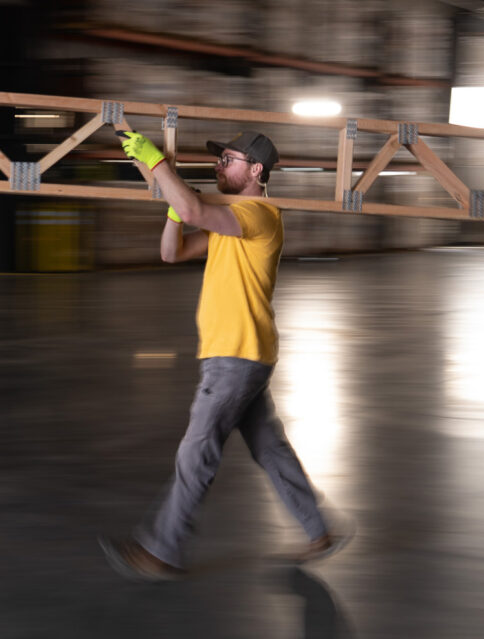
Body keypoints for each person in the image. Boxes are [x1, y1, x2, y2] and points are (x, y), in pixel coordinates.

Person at [99, 130, 351, 582]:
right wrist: (172, 205)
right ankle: (320, 529)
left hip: (234, 357)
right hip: (244, 355)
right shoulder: (228, 221)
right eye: (219, 160)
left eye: (230, 160)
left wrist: (160, 167)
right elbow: (170, 252)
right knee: (270, 449)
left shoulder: (259, 214)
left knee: (196, 454)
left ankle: (161, 550)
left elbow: (197, 206)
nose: (219, 166)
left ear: (256, 171)